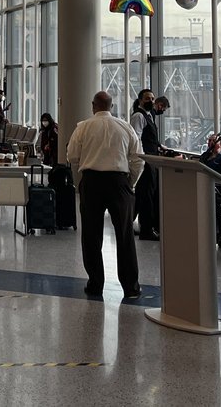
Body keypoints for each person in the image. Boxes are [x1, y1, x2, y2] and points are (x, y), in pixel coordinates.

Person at [65, 91, 144, 299]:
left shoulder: (83, 127)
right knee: (125, 236)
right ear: (111, 106)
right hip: (119, 182)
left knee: (91, 235)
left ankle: (95, 284)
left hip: (91, 182)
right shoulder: (125, 127)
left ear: (93, 106)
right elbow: (138, 159)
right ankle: (131, 287)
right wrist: (130, 182)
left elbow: (72, 156)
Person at [130, 90, 166, 240]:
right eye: (147, 99)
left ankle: (128, 224)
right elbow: (136, 139)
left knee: (141, 196)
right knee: (146, 196)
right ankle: (147, 229)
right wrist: (141, 160)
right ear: (139, 100)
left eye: (152, 98)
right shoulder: (139, 116)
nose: (151, 101)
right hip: (145, 162)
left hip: (151, 160)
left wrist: (159, 147)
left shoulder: (149, 115)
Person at [199, 133, 221, 246]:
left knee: (214, 205)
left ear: (220, 144)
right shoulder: (205, 156)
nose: (210, 143)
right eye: (209, 141)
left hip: (217, 192)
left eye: (213, 141)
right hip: (202, 187)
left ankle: (217, 234)